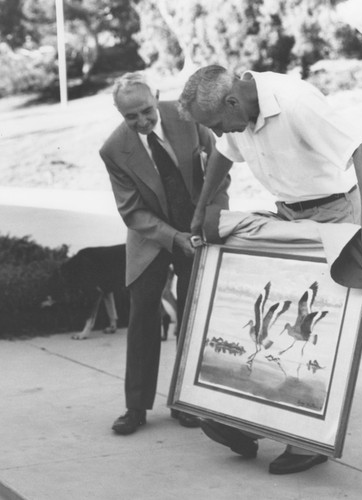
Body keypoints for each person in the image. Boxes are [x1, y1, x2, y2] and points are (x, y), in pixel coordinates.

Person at [178, 64, 362, 474]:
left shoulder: (295, 101)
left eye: (216, 124)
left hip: (335, 212)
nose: (218, 133)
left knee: (318, 328)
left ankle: (308, 441)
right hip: (290, 214)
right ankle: (244, 421)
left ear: (232, 101)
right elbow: (221, 157)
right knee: (271, 319)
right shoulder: (237, 116)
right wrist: (201, 208)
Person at [99, 71, 230, 435]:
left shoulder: (187, 116)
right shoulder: (113, 149)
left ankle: (185, 402)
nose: (141, 122)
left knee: (192, 315)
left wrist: (210, 219)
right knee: (143, 314)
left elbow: (220, 169)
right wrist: (173, 237)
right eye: (131, 117)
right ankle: (136, 406)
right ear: (119, 114)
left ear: (156, 97)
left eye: (146, 111)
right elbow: (133, 212)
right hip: (152, 237)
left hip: (196, 228)